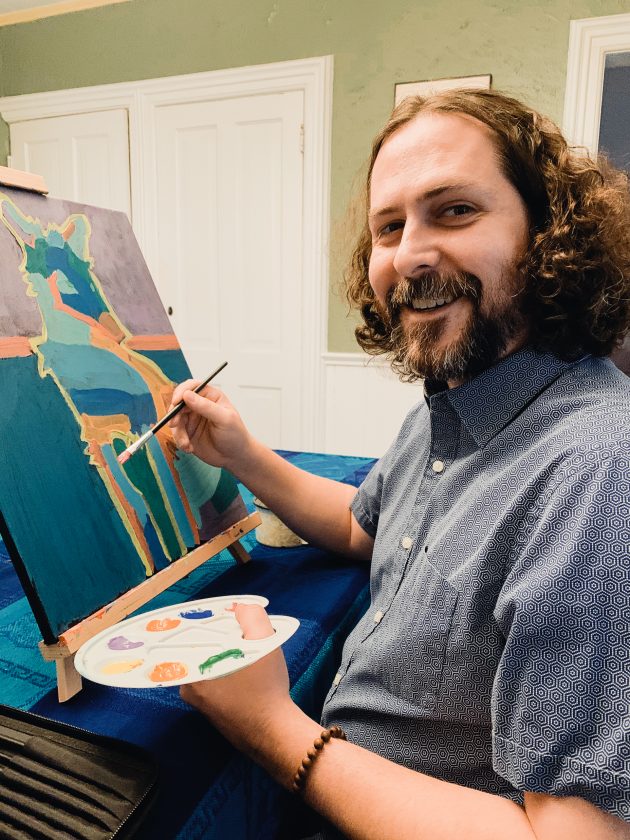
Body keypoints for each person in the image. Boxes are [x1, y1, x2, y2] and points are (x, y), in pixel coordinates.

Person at [169, 89, 630, 839]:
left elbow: (579, 836)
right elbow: (368, 530)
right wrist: (242, 455)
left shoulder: (597, 473)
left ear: (549, 233)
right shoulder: (456, 398)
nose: (409, 255)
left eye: (455, 211)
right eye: (389, 227)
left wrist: (276, 730)